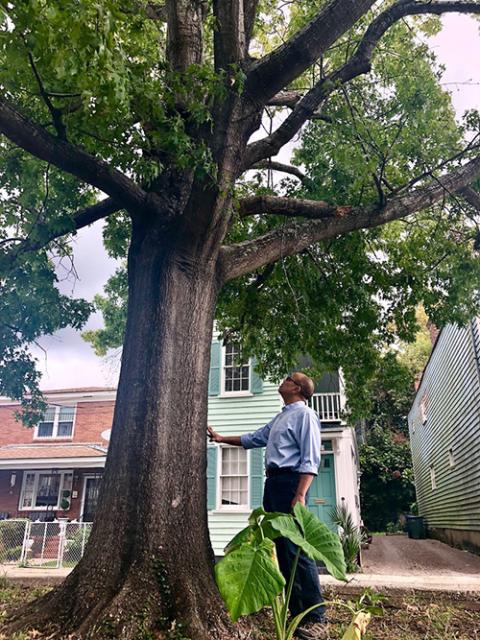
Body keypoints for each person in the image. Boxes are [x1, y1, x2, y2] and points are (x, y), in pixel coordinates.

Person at [208, 372, 327, 640]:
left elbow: (311, 459)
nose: (282, 381)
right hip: (273, 485)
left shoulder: (305, 415)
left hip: (290, 484)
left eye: (288, 378)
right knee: (282, 551)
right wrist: (220, 438)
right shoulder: (281, 416)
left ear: (297, 388)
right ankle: (297, 615)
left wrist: (300, 494)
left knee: (296, 551)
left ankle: (317, 618)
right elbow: (255, 438)